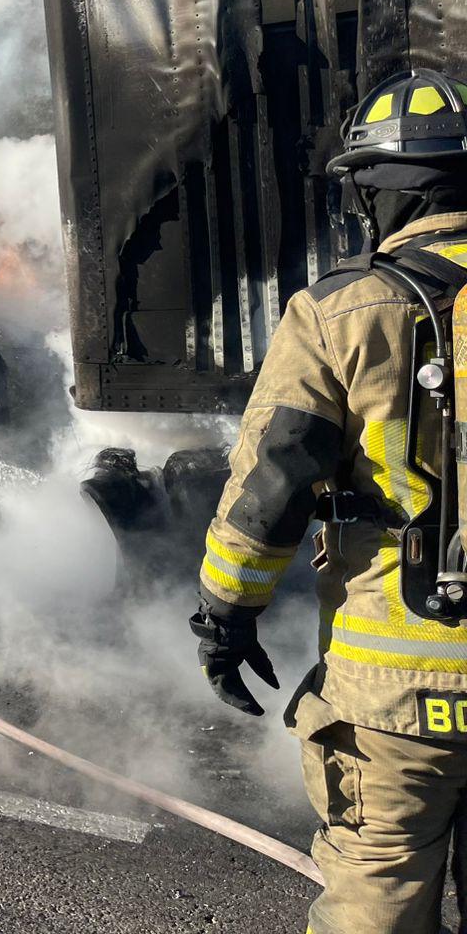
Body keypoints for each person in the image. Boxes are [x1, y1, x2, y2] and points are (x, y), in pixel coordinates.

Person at [190, 69, 467, 932]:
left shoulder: (340, 313)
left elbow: (274, 481)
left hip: (397, 694)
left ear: (387, 191)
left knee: (375, 899)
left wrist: (225, 614)